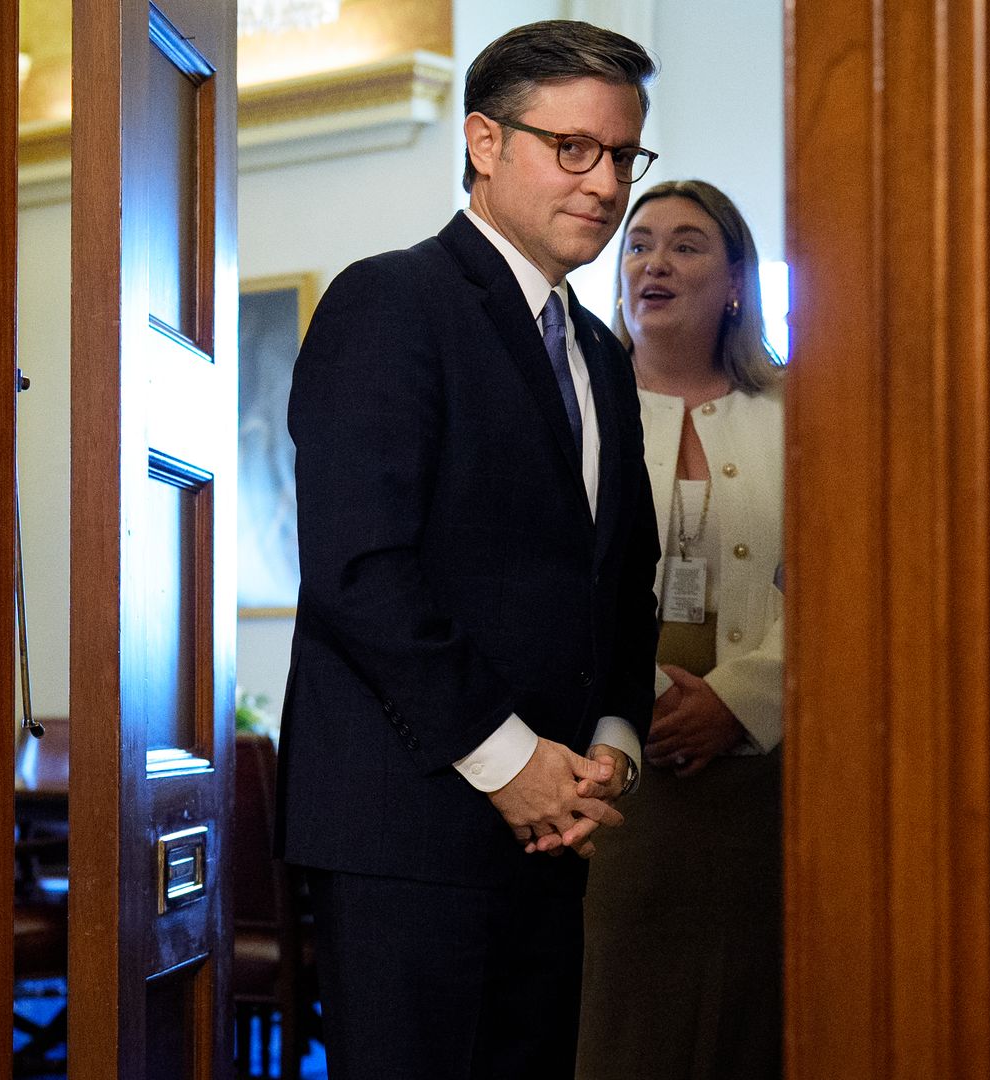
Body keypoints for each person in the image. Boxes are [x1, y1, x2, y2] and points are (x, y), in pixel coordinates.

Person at [277, 20, 662, 1080]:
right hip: (411, 830)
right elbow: (361, 568)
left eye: (623, 155)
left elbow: (621, 576)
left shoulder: (599, 355)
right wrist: (511, 764)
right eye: (571, 148)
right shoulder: (392, 300)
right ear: (485, 142)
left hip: (558, 827)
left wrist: (613, 740)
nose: (604, 183)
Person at [577, 180, 786, 1079]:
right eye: (639, 243)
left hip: (770, 770)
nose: (654, 262)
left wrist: (742, 701)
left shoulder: (801, 417)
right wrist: (649, 698)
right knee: (619, 1023)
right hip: (612, 764)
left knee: (751, 1016)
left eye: (687, 244)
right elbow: (549, 580)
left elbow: (851, 584)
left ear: (736, 278)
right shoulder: (574, 410)